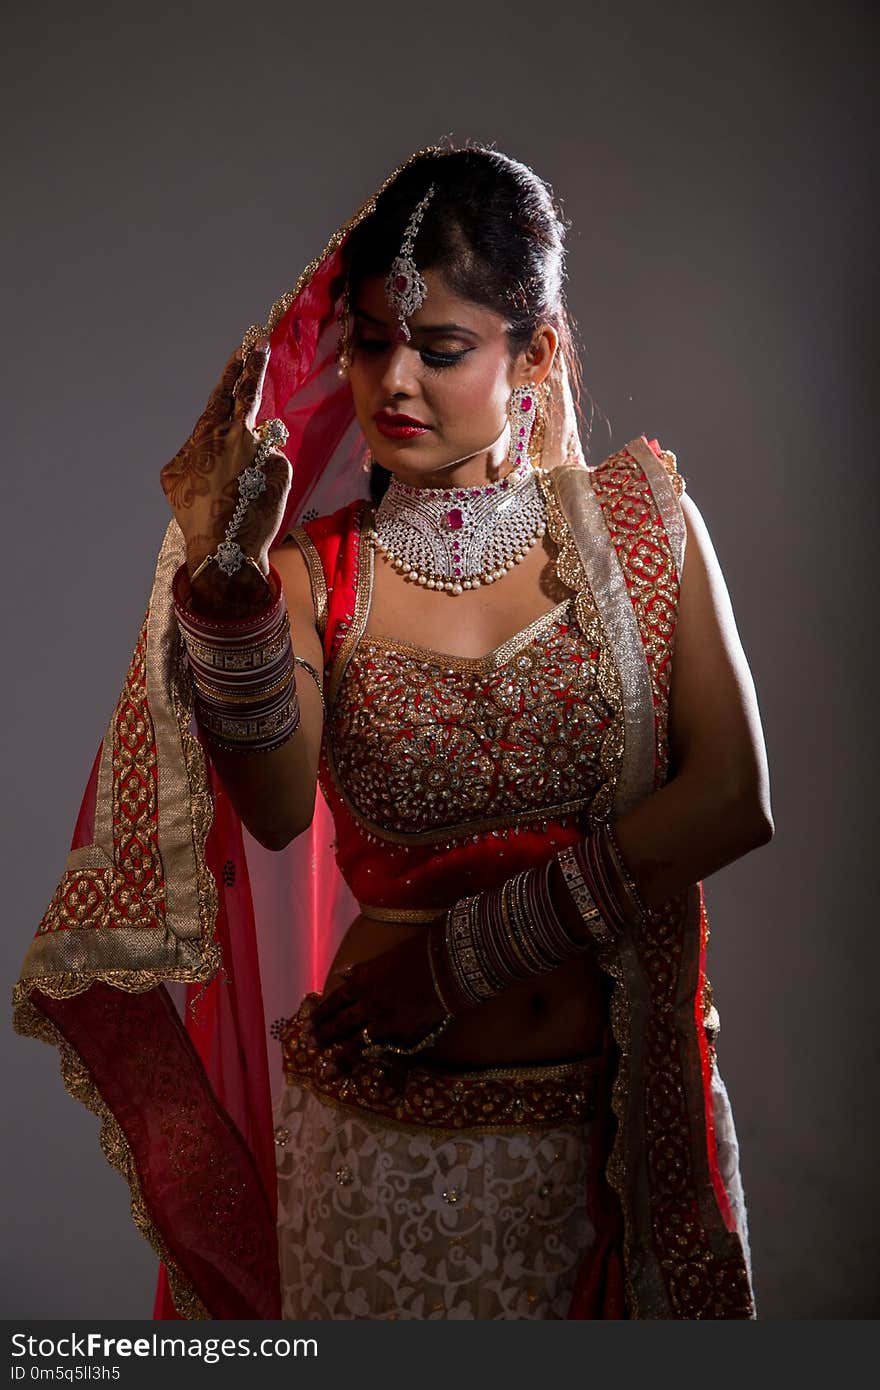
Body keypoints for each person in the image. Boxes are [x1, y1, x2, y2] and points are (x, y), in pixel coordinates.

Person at [13, 144, 773, 1321]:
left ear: (535, 353)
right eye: (371, 341)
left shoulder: (641, 529)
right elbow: (274, 810)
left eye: (440, 345)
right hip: (380, 1146)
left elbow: (731, 796)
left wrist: (468, 956)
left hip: (606, 1122)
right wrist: (228, 604)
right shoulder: (321, 576)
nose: (395, 381)